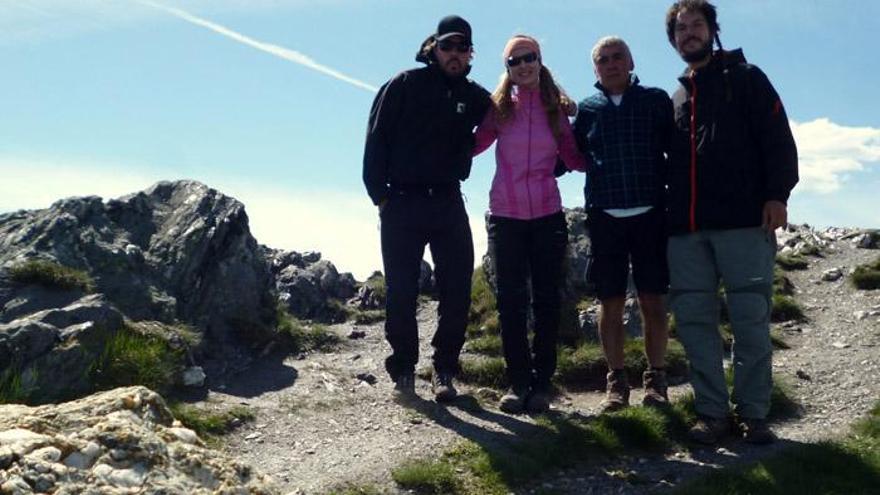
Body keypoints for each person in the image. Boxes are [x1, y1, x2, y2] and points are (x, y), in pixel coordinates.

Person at [664, 0, 798, 444]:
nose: (689, 34)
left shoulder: (747, 79)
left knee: (750, 319)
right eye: (681, 29)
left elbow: (778, 138)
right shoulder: (679, 96)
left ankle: (754, 415)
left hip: (744, 222)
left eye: (696, 25)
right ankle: (712, 414)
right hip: (687, 230)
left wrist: (778, 194)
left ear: (712, 30)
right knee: (696, 323)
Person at [362, 15, 491, 402]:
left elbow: (514, 106)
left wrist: (558, 103)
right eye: (447, 46)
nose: (454, 54)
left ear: (470, 55)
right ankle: (403, 367)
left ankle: (444, 369)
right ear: (433, 48)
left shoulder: (475, 96)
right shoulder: (404, 84)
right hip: (401, 202)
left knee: (457, 289)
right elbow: (376, 138)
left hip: (449, 201)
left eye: (462, 48)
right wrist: (380, 196)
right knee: (401, 290)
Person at [473, 35, 587, 414]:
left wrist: (612, 159)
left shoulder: (556, 109)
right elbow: (474, 144)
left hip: (547, 215)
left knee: (546, 300)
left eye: (529, 58)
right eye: (514, 61)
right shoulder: (500, 108)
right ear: (507, 68)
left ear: (540, 60)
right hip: (505, 215)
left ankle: (542, 383)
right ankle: (517, 380)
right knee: (510, 302)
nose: (523, 65)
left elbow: (573, 156)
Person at [572, 36, 674, 413]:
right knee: (610, 302)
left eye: (618, 57)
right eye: (603, 59)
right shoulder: (587, 109)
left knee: (652, 300)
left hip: (651, 214)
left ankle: (657, 379)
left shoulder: (655, 100)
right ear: (595, 68)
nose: (611, 64)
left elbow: (676, 152)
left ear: (631, 61)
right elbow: (570, 156)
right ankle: (617, 381)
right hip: (605, 217)